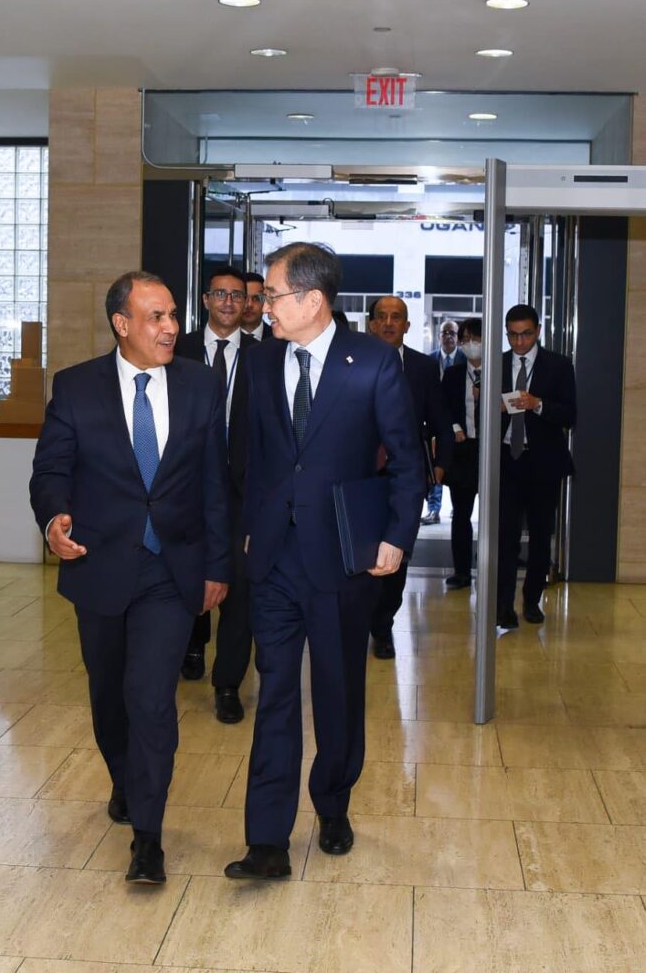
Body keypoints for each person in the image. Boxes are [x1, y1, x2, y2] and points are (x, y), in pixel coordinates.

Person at [224, 243, 425, 880]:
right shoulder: (258, 362)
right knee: (275, 692)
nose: (264, 307)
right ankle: (267, 839)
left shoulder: (372, 361)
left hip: (343, 558)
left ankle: (333, 803)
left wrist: (396, 536)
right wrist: (248, 531)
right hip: (276, 559)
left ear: (312, 300)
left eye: (273, 296)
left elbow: (407, 459)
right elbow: (248, 456)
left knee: (337, 692)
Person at [30, 271, 231, 884]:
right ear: (122, 324)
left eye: (173, 315)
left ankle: (148, 836)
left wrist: (218, 566)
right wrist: (53, 520)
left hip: (170, 570)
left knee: (151, 698)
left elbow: (215, 482)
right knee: (109, 697)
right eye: (156, 317)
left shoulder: (201, 384)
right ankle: (124, 779)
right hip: (99, 565)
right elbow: (50, 471)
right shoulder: (75, 387)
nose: (171, 327)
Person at [175, 265, 257, 723]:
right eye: (220, 294)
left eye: (238, 296)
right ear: (205, 300)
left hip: (243, 495)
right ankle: (190, 644)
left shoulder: (265, 356)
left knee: (240, 589)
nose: (229, 302)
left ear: (247, 305)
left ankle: (227, 683)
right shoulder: (177, 348)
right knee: (186, 577)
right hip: (184, 488)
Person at [367, 296, 453, 658]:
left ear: (406, 325)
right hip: (360, 476)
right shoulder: (352, 359)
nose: (388, 323)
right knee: (359, 553)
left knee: (398, 552)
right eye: (382, 317)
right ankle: (358, 619)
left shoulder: (421, 367)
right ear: (371, 324)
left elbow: (440, 420)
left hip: (405, 476)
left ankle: (383, 626)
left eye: (396, 317)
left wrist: (440, 464)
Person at [497, 304, 576, 630]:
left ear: (538, 331)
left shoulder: (558, 365)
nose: (519, 342)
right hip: (505, 461)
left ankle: (531, 600)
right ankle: (503, 605)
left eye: (525, 334)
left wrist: (537, 404)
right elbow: (479, 414)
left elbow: (570, 416)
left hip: (543, 462)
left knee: (541, 536)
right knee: (505, 538)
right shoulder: (497, 363)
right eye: (513, 335)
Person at [441, 317, 483, 590]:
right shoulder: (455, 373)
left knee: (496, 515)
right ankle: (462, 571)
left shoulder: (500, 371)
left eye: (474, 339)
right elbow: (444, 407)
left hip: (493, 449)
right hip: (463, 449)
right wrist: (455, 427)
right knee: (461, 514)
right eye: (465, 339)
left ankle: (492, 567)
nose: (469, 345)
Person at [422, 319, 465, 525]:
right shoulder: (429, 360)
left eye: (453, 333)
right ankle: (433, 509)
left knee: (457, 471)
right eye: (445, 332)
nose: (448, 336)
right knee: (435, 465)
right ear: (439, 336)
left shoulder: (466, 360)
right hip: (435, 423)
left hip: (459, 426)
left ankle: (458, 508)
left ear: (458, 337)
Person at [241, 271, 272, 340]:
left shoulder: (279, 339)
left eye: (256, 298)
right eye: (244, 297)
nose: (249, 305)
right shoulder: (223, 339)